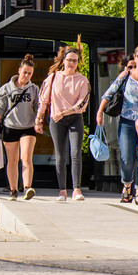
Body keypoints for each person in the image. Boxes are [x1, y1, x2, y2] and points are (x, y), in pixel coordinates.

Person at [96, 45, 138, 204]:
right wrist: (99, 113)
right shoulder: (126, 75)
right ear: (135, 57)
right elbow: (108, 94)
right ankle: (127, 185)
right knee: (127, 158)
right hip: (127, 122)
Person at [35, 45, 90, 201]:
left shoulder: (82, 80)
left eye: (75, 60)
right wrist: (39, 119)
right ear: (63, 60)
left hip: (74, 118)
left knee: (75, 154)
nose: (72, 63)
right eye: (69, 60)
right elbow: (43, 100)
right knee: (60, 156)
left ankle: (77, 189)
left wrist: (63, 112)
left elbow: (82, 104)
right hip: (56, 120)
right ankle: (62, 190)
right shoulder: (53, 77)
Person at [0, 55, 39, 200]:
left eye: (30, 74)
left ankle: (27, 187)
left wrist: (38, 121)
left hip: (28, 127)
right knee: (12, 160)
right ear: (19, 71)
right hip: (10, 127)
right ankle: (13, 190)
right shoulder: (6, 89)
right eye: (25, 73)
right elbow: (0, 109)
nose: (27, 76)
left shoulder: (34, 89)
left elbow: (38, 107)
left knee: (26, 158)